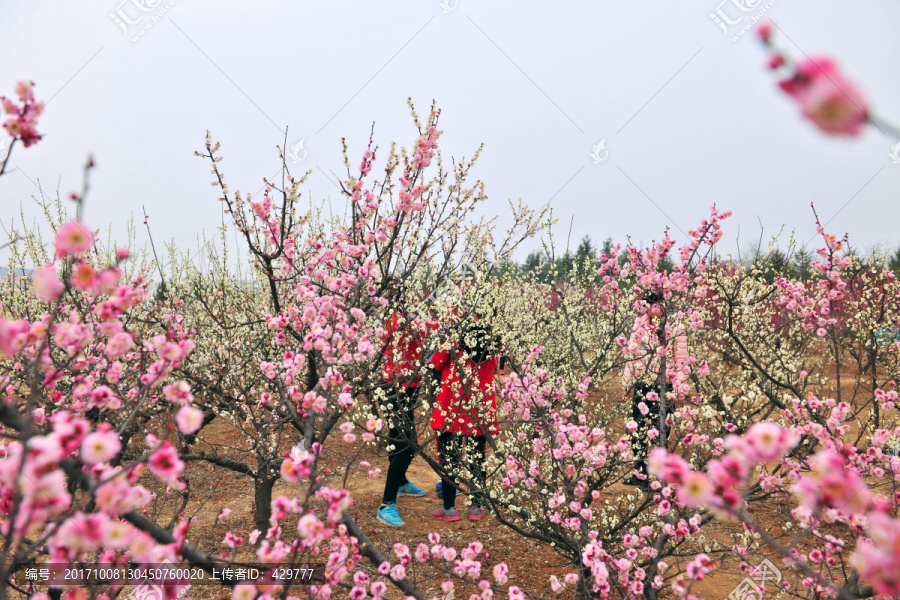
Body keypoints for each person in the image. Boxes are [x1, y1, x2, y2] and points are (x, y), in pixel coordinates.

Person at [429, 314, 500, 521]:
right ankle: (476, 506)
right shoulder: (493, 340)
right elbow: (494, 366)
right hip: (479, 403)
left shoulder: (455, 335)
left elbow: (437, 362)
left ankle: (449, 507)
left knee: (449, 455)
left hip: (453, 402)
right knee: (477, 455)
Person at [375, 309, 437, 527]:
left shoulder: (406, 314)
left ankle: (400, 482)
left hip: (407, 384)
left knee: (397, 439)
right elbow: (430, 328)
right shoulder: (400, 318)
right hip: (396, 385)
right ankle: (386, 504)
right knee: (405, 444)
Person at [622, 291, 688, 491]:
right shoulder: (639, 325)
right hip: (643, 386)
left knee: (661, 433)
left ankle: (660, 479)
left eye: (657, 303)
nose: (654, 307)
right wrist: (626, 383)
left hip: (664, 387)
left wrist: (679, 391)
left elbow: (681, 362)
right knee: (637, 431)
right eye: (650, 303)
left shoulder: (676, 328)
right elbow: (632, 355)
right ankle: (639, 475)